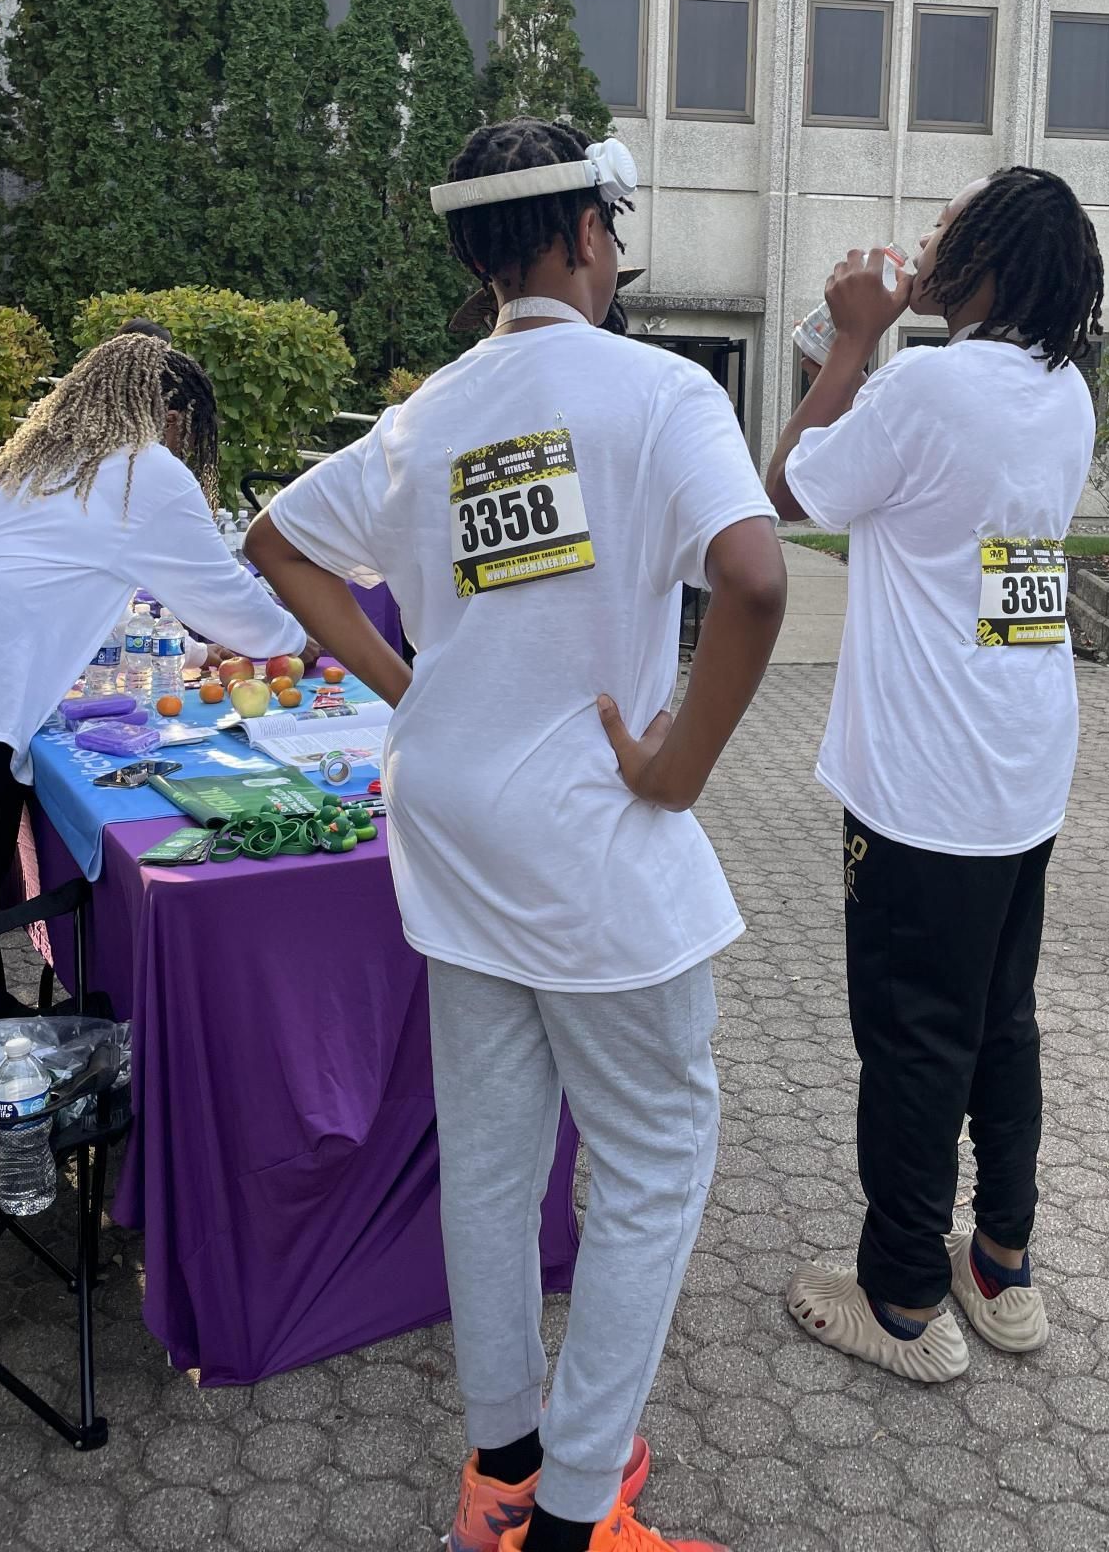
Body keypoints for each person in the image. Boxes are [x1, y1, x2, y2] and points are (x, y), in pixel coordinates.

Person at [247, 119, 785, 1552]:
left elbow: (277, 544)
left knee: (489, 1158)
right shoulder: (660, 394)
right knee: (658, 1155)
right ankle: (569, 1518)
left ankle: (503, 1465)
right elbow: (756, 577)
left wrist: (411, 687)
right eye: (612, 224)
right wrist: (677, 767)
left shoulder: (429, 417)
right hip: (593, 833)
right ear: (587, 233)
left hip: (453, 823)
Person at [766, 167, 1104, 1385]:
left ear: (991, 264)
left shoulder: (928, 386)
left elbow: (784, 491)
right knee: (998, 1020)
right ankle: (1002, 1269)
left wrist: (856, 338)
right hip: (1022, 765)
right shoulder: (1066, 393)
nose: (927, 237)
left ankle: (902, 1297)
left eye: (949, 229)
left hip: (925, 780)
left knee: (913, 1037)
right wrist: (866, 345)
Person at [0, 333, 307, 1008]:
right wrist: (294, 639)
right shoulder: (146, 469)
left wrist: (190, 656)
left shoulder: (50, 457)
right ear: (171, 412)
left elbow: (78, 598)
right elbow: (231, 603)